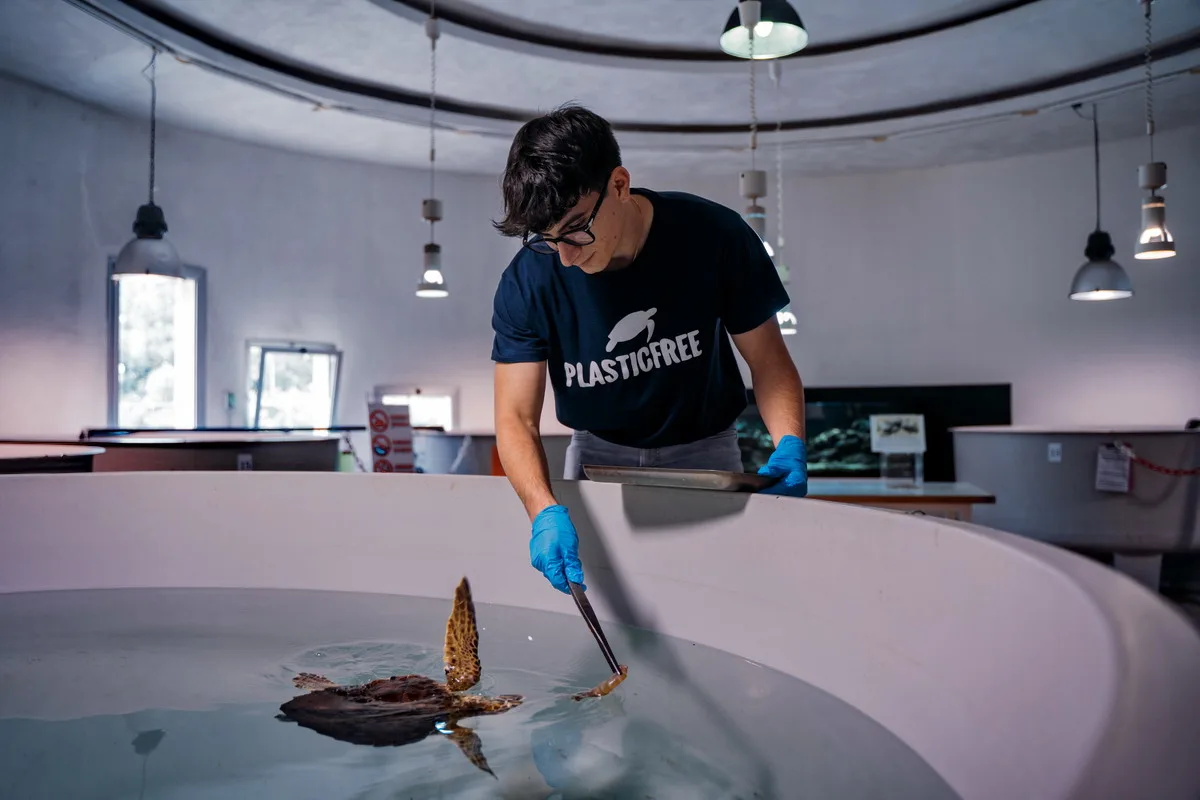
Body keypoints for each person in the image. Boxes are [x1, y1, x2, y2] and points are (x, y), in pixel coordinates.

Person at [489, 104, 808, 595]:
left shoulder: (713, 236)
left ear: (619, 184)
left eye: (576, 227)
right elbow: (515, 417)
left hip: (707, 451)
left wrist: (789, 442)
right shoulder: (528, 281)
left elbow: (769, 361)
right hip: (596, 454)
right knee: (606, 602)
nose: (566, 257)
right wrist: (542, 510)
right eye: (548, 240)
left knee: (718, 594)